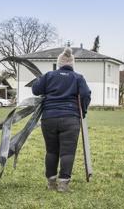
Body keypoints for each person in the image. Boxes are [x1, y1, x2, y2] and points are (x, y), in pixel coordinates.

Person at [32, 47, 91, 192]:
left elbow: (35, 89)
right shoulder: (78, 78)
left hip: (49, 118)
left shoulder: (49, 75)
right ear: (72, 64)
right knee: (67, 152)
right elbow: (85, 95)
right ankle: (63, 185)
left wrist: (42, 80)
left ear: (59, 63)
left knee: (51, 151)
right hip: (70, 119)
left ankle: (51, 184)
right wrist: (82, 111)